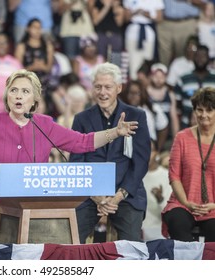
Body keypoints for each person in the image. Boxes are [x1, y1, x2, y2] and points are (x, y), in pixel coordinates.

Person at [0, 68, 139, 245]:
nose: (18, 95)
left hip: (31, 217)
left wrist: (115, 132)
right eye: (14, 90)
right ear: (7, 95)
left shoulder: (45, 125)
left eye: (25, 91)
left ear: (34, 98)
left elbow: (82, 142)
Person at [70, 62, 151, 243]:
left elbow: (140, 162)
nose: (103, 92)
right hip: (89, 194)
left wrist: (118, 196)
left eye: (108, 87)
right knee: (69, 236)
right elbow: (76, 162)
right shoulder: (81, 119)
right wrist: (95, 195)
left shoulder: (136, 116)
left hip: (126, 193)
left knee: (131, 246)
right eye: (98, 87)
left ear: (119, 88)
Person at [162, 87, 215, 242]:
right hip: (183, 203)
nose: (203, 115)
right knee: (178, 223)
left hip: (213, 206)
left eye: (209, 110)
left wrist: (213, 205)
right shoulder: (182, 138)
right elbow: (174, 176)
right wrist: (186, 202)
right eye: (199, 110)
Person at [142, 140, 172, 241]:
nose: (146, 154)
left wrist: (160, 199)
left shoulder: (167, 176)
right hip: (137, 230)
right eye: (143, 150)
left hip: (158, 232)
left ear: (157, 153)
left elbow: (171, 213)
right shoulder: (134, 176)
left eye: (150, 150)